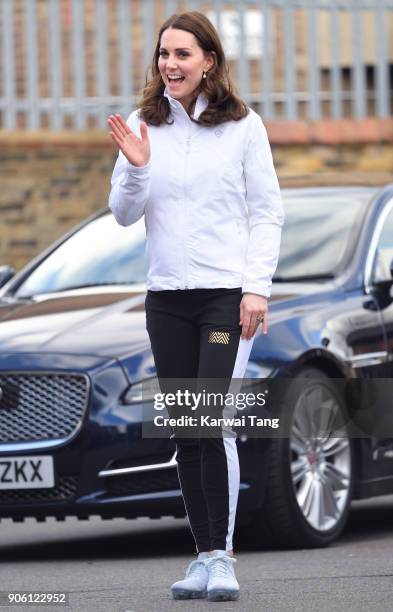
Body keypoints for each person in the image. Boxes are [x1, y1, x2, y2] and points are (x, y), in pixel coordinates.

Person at [107, 10, 284, 603]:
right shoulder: (143, 124)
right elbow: (124, 213)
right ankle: (204, 555)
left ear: (209, 60)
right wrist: (138, 169)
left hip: (224, 299)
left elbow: (267, 212)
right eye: (163, 54)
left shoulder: (243, 126)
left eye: (183, 54)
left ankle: (225, 557)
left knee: (211, 423)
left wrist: (255, 286)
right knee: (187, 430)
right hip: (167, 301)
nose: (170, 64)